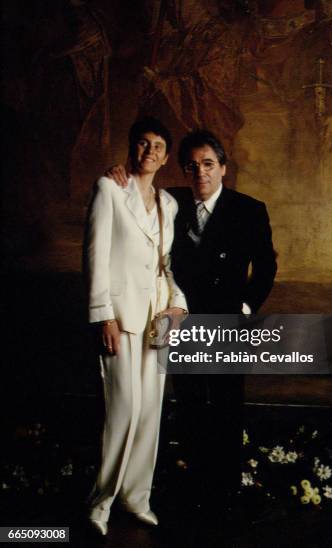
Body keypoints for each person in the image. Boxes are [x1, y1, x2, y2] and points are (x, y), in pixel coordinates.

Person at [106, 129, 277, 513]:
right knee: (190, 403)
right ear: (183, 170)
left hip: (227, 320)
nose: (200, 172)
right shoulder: (171, 202)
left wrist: (245, 308)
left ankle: (226, 492)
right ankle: (195, 486)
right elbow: (135, 199)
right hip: (180, 319)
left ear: (223, 169)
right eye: (192, 166)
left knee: (226, 405)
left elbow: (266, 267)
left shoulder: (249, 209)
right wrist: (118, 174)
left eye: (208, 164)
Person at [84, 117, 187, 536]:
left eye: (158, 146)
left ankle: (136, 498)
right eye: (143, 144)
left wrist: (177, 305)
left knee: (149, 412)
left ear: (164, 158)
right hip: (121, 318)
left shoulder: (169, 205)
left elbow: (166, 265)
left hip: (157, 320)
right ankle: (100, 503)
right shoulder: (109, 188)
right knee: (123, 409)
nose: (150, 151)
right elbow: (94, 255)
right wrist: (102, 314)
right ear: (132, 149)